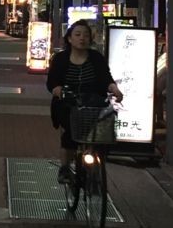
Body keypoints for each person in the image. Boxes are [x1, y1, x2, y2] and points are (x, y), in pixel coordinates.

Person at [46, 20, 123, 184]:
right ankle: (65, 167)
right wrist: (58, 90)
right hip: (68, 103)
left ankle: (96, 164)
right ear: (69, 39)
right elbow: (52, 82)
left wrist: (114, 89)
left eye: (86, 35)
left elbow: (105, 78)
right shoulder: (61, 59)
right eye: (78, 34)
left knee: (103, 131)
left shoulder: (96, 58)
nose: (82, 38)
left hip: (93, 102)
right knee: (70, 133)